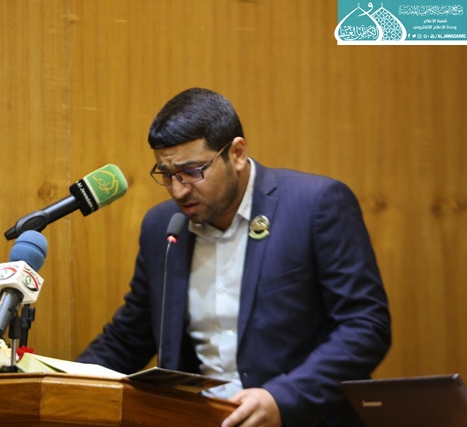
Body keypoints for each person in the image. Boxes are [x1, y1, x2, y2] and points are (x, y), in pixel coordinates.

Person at [77, 88, 391, 427]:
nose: (178, 190)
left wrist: (283, 397)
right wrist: (62, 381)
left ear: (237, 153)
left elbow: (365, 326)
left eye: (192, 170)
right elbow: (130, 337)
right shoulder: (163, 227)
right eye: (166, 174)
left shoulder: (316, 205)